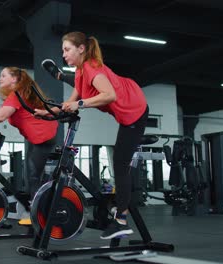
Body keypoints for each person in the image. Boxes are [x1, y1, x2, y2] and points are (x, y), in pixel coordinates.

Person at [37, 32, 149, 240]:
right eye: (63, 50)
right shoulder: (81, 72)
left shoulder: (91, 68)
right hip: (123, 99)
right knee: (78, 84)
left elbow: (109, 95)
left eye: (67, 49)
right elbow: (68, 106)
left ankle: (122, 221)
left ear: (81, 49)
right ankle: (59, 75)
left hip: (136, 110)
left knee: (120, 164)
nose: (63, 54)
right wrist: (47, 113)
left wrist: (78, 104)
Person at [0, 67, 59, 207]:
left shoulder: (17, 95)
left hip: (43, 138)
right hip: (39, 139)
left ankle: (41, 217)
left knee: (33, 177)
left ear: (14, 79)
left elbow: (0, 116)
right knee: (33, 177)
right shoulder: (18, 95)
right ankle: (37, 211)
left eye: (3, 75)